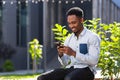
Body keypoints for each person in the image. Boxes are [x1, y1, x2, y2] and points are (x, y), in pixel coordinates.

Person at [37, 7, 101, 80]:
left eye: (74, 22)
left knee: (69, 78)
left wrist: (74, 53)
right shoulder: (69, 39)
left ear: (81, 20)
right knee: (42, 78)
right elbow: (65, 63)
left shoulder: (92, 37)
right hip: (71, 68)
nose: (71, 26)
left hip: (87, 70)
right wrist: (61, 54)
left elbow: (94, 61)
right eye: (69, 23)